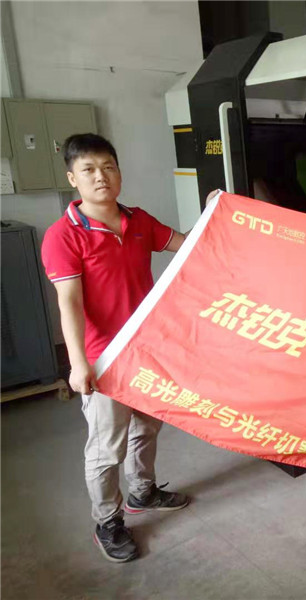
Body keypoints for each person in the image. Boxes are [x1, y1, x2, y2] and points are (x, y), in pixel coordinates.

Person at [41, 133, 190, 563]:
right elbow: (69, 303)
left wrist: (216, 212)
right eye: (88, 169)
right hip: (103, 358)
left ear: (119, 172)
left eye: (108, 167)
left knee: (147, 427)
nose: (100, 176)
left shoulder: (138, 221)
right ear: (73, 178)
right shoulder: (63, 236)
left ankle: (143, 491)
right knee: (107, 446)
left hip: (146, 349)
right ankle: (107, 520)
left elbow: (187, 245)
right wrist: (78, 364)